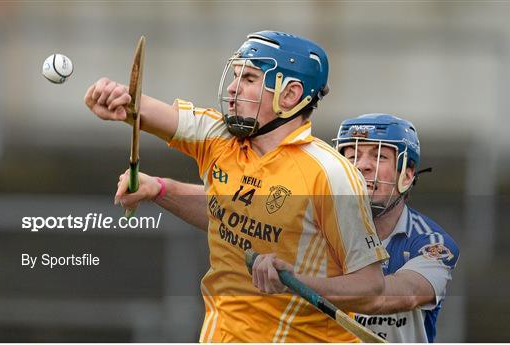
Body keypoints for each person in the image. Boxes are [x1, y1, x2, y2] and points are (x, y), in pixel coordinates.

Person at [84, 31, 388, 342]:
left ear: (290, 94)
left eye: (250, 79)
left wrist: (298, 282)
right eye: (234, 75)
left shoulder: (331, 175)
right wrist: (117, 98)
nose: (232, 88)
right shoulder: (220, 139)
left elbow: (371, 288)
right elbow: (143, 111)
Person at [153, 114, 460, 342]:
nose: (361, 165)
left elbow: (392, 297)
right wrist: (160, 189)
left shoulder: (429, 242)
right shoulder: (314, 220)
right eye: (350, 155)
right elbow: (231, 216)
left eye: (378, 156)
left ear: (407, 174)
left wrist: (296, 282)